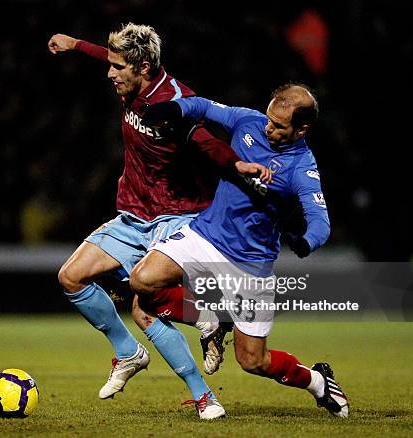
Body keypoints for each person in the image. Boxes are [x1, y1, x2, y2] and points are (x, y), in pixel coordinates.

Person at [48, 23, 271, 419]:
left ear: (144, 67)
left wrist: (238, 165)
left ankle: (204, 395)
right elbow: (108, 56)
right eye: (112, 64)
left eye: (118, 67)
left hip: (177, 216)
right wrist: (75, 45)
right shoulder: (132, 79)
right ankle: (127, 352)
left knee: (144, 306)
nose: (110, 73)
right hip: (133, 213)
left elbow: (206, 141)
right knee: (71, 276)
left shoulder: (173, 103)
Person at [131, 84, 349, 418]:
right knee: (143, 281)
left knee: (253, 361)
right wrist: (172, 110)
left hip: (250, 265)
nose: (269, 128)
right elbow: (202, 106)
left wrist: (305, 242)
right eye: (269, 118)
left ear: (301, 130)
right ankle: (212, 318)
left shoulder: (301, 167)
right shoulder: (248, 121)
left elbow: (321, 222)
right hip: (206, 236)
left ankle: (318, 382)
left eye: (279, 126)